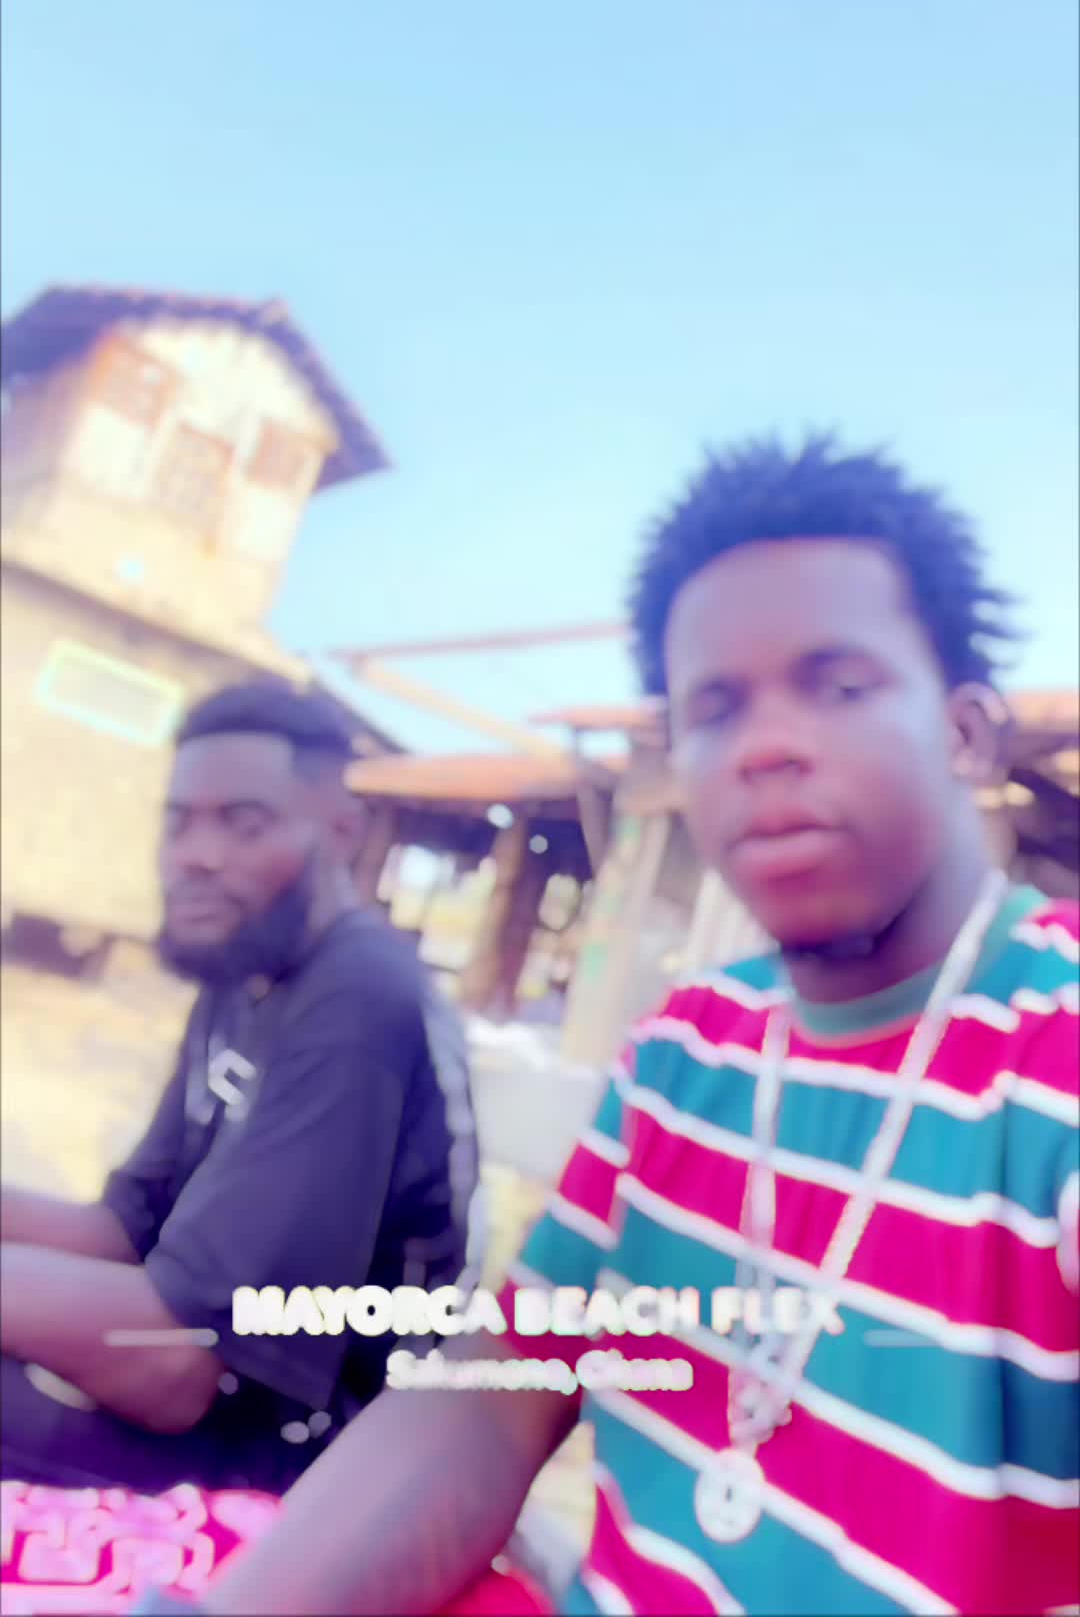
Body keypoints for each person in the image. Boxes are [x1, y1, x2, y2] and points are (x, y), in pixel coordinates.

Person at [161, 440, 1080, 1615]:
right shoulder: (682, 1054)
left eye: (839, 685)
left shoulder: (1051, 1048)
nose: (766, 746)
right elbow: (496, 1397)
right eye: (714, 708)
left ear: (966, 733)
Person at [0, 682, 480, 1496]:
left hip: (315, 1470)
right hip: (218, 1414)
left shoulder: (359, 1000)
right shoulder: (244, 965)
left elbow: (177, 1367)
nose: (196, 854)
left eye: (243, 824)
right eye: (178, 822)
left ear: (341, 833)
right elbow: (124, 1229)